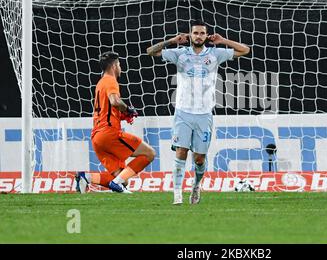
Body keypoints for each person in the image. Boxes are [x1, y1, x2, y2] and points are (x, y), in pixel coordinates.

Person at [146, 20, 250, 204]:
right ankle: (177, 193)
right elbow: (151, 51)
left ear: (206, 36)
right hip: (183, 112)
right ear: (190, 35)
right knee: (181, 153)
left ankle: (196, 185)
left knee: (199, 159)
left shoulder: (215, 53)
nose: (199, 36)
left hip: (204, 114)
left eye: (202, 33)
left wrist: (223, 40)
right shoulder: (180, 53)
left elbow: (245, 50)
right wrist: (172, 41)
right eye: (196, 33)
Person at [75, 51, 156, 193]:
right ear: (113, 66)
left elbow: (108, 108)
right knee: (149, 153)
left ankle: (86, 177)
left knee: (123, 179)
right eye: (119, 64)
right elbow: (115, 101)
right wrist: (128, 110)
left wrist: (121, 115)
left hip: (97, 138)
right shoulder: (110, 80)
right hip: (109, 133)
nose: (120, 67)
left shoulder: (101, 83)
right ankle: (116, 184)